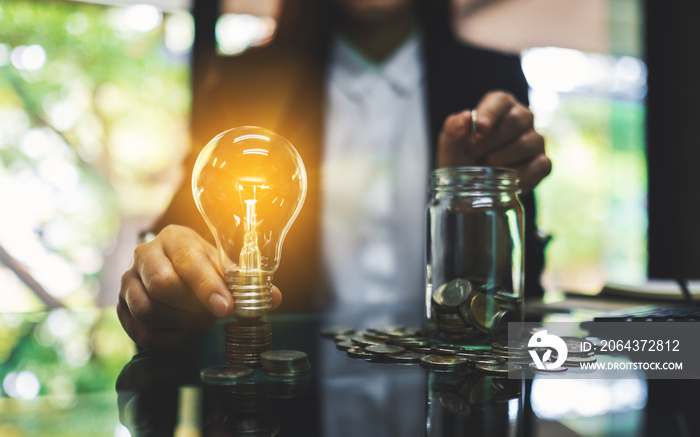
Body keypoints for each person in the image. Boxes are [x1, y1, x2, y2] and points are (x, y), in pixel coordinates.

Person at [117, 0, 551, 350]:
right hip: (291, 407)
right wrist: (160, 277)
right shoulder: (245, 82)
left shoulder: (489, 81)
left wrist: (471, 207)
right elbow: (180, 243)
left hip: (455, 400)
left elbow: (522, 289)